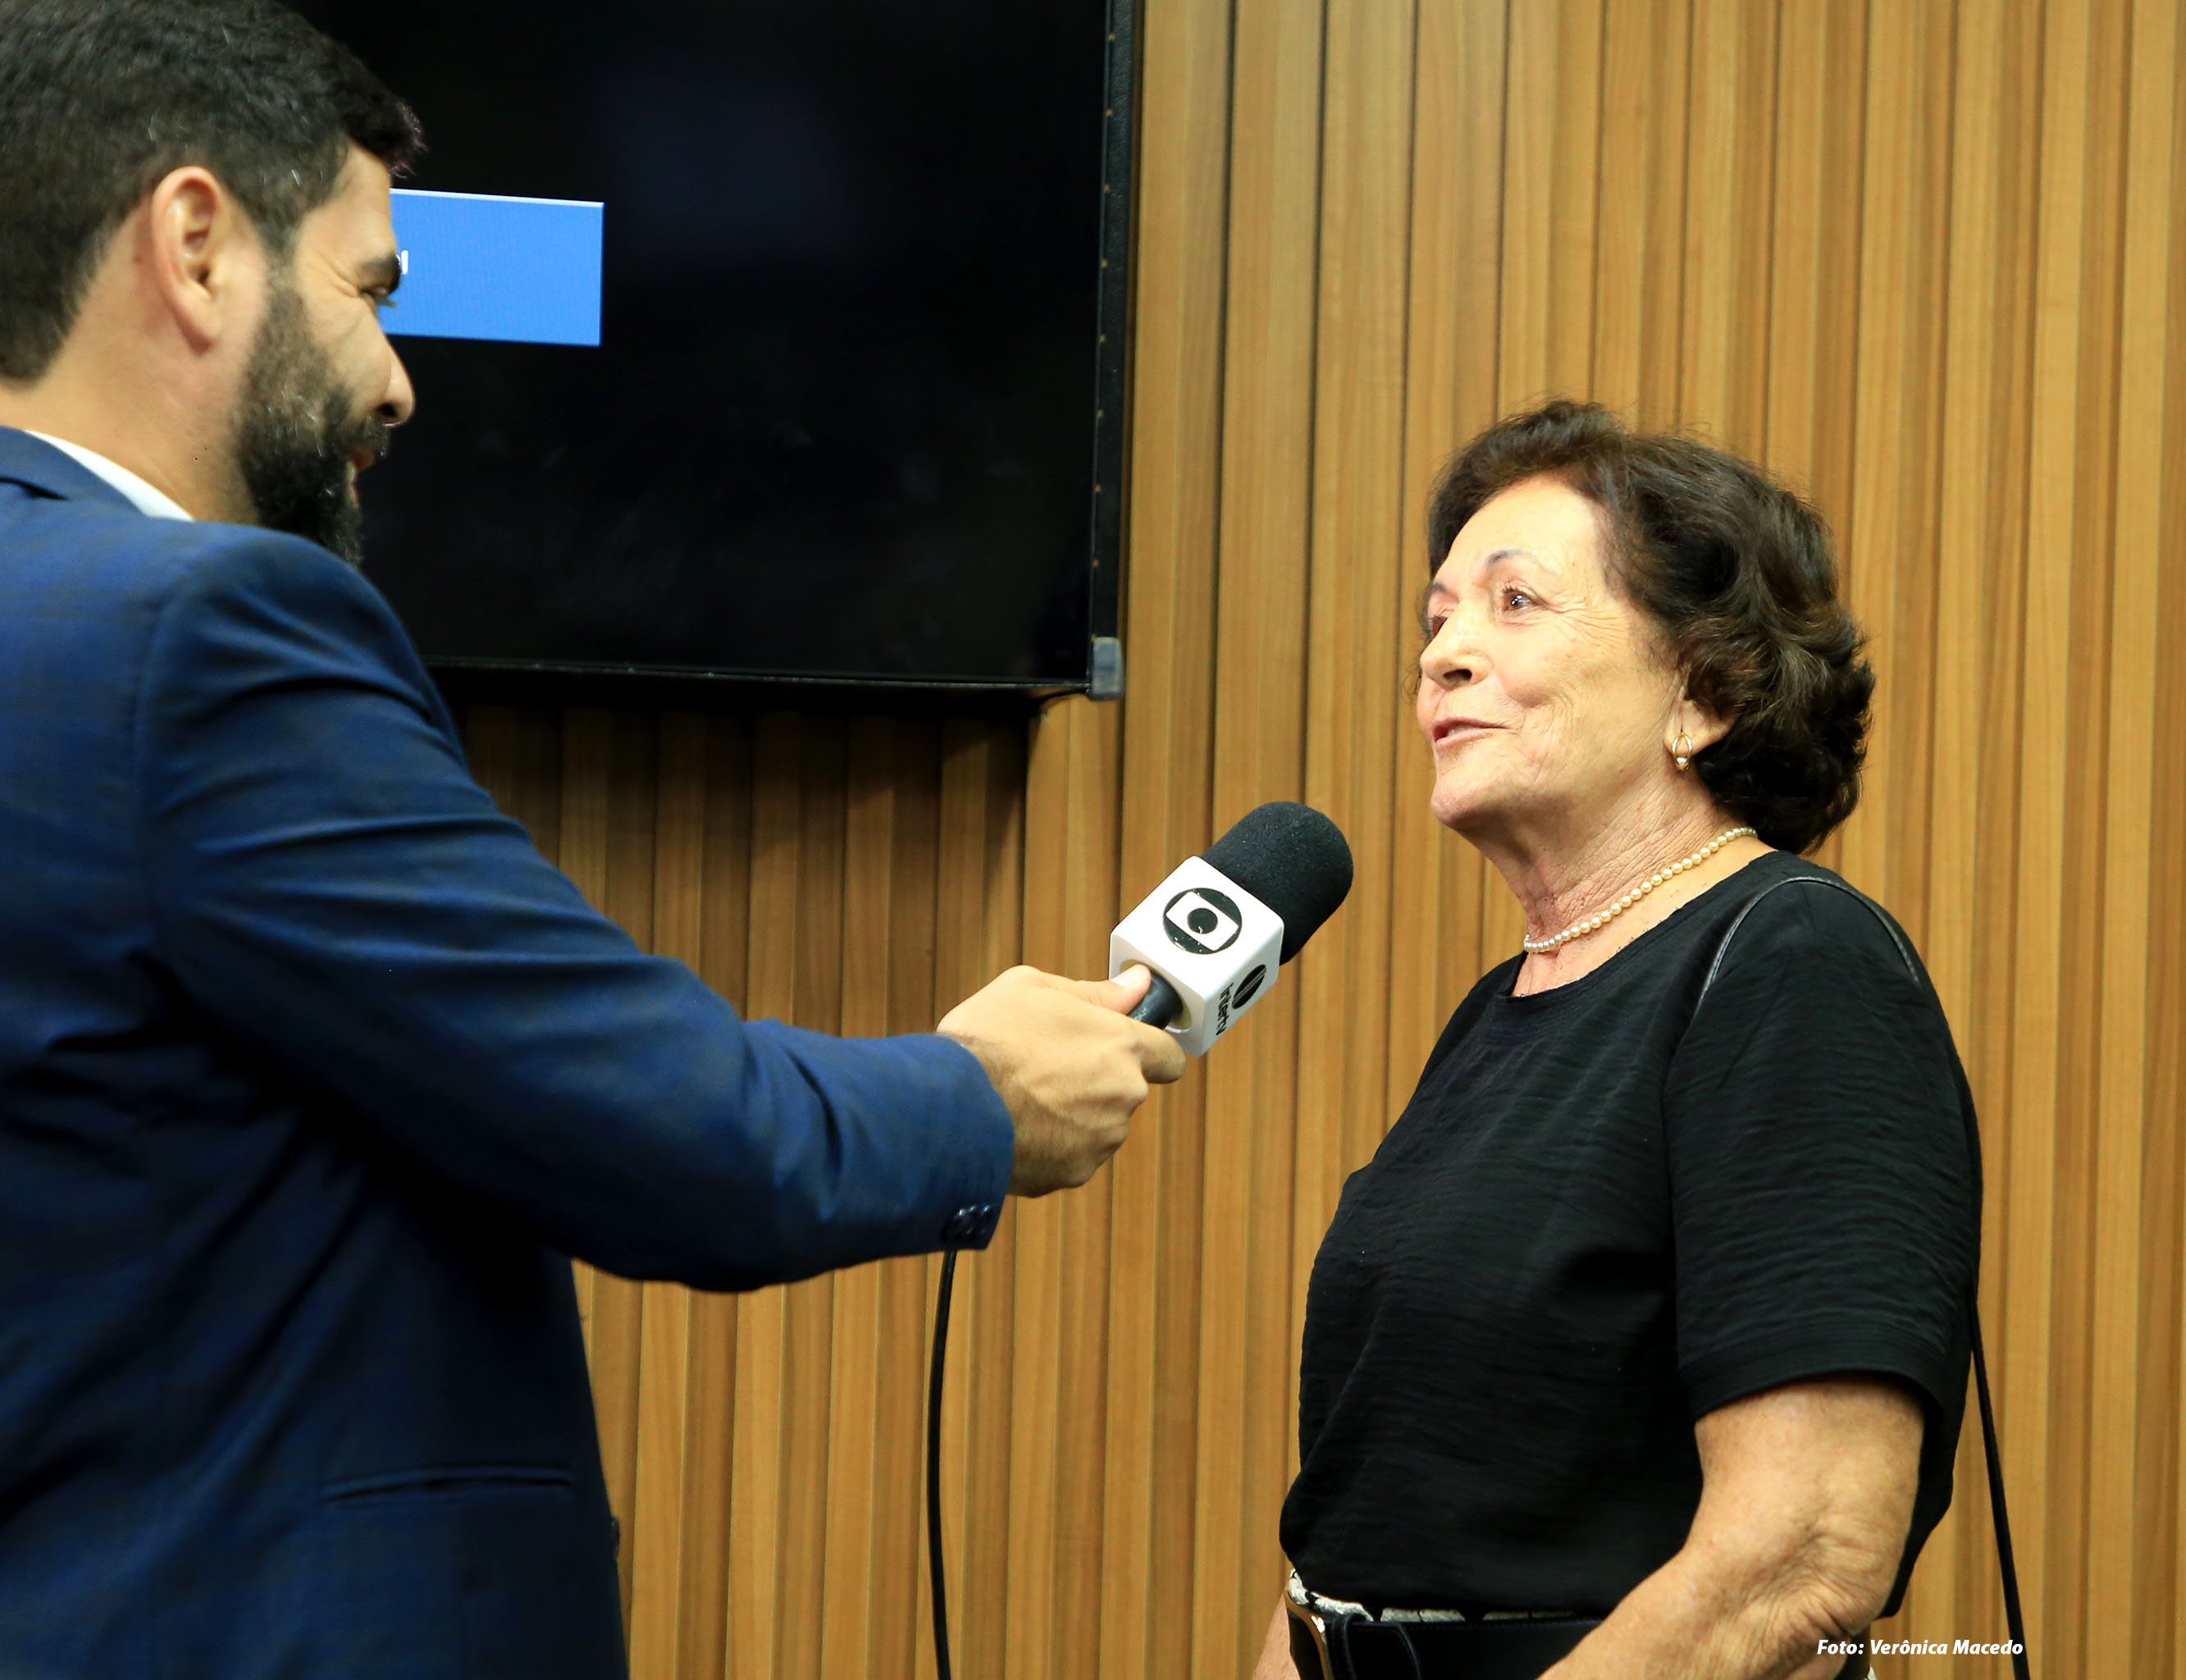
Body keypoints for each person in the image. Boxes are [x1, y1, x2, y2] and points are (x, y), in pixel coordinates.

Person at [0, 3, 1184, 1676]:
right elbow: (678, 1128)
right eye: (368, 291)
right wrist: (980, 1097)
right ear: (196, 246)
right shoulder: (204, 632)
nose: (397, 379)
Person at [1254, 402, 1980, 1680]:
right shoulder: (1504, 1007)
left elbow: (1800, 1557)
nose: (1442, 657)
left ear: (1702, 691)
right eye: (1436, 619)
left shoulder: (1794, 960)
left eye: (1513, 603)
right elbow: (1361, 1516)